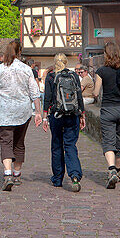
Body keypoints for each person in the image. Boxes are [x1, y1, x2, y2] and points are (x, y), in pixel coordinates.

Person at [0, 39, 42, 191]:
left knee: (6, 142)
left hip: (4, 110)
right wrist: (38, 111)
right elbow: (34, 93)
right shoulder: (26, 69)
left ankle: (7, 173)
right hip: (23, 111)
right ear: (19, 52)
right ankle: (17, 174)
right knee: (19, 142)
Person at [92, 41, 120, 189]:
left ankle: (111, 169)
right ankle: (116, 172)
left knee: (108, 141)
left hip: (108, 109)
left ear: (106, 54)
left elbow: (96, 93)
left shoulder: (101, 71)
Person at [39, 54, 86, 192]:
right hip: (72, 115)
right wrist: (82, 115)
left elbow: (47, 99)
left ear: (54, 63)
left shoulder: (51, 77)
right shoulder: (74, 76)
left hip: (56, 115)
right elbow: (79, 97)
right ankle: (75, 175)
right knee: (70, 145)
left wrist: (44, 118)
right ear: (66, 62)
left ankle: (58, 178)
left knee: (57, 146)